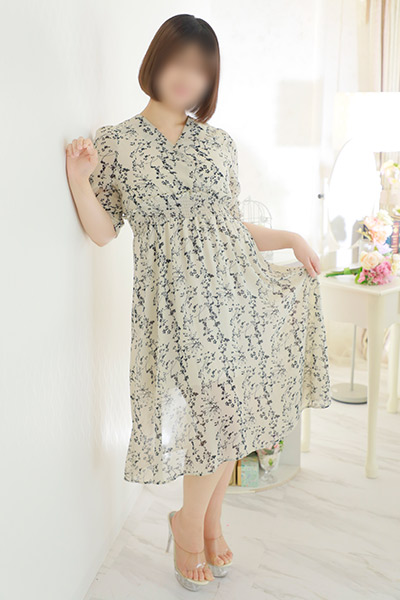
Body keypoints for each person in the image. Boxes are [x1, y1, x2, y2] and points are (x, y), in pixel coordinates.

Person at [66, 13, 331, 591]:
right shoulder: (116, 143)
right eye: (179, 61)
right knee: (213, 408)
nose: (188, 77)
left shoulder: (219, 145)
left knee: (229, 408)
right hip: (172, 305)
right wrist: (80, 180)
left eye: (202, 69)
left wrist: (290, 238)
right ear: (156, 61)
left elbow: (230, 229)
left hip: (233, 293)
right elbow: (104, 232)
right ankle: (188, 524)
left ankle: (209, 523)